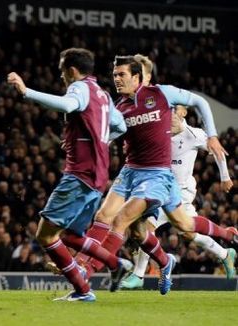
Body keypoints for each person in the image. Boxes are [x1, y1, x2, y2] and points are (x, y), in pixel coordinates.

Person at [81, 55, 236, 295]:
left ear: (138, 77)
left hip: (159, 177)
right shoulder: (120, 107)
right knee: (120, 221)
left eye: (121, 75)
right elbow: (110, 134)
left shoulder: (163, 96)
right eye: (114, 75)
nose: (117, 79)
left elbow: (199, 102)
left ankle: (88, 272)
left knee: (126, 220)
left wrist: (213, 137)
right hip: (131, 171)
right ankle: (164, 261)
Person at [7, 47, 129, 302]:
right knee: (72, 235)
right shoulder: (103, 94)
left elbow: (67, 104)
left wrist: (26, 92)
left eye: (62, 70)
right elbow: (120, 125)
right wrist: (98, 141)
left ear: (71, 70)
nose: (61, 75)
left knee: (45, 234)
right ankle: (116, 264)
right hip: (97, 177)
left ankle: (83, 290)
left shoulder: (80, 88)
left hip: (79, 175)